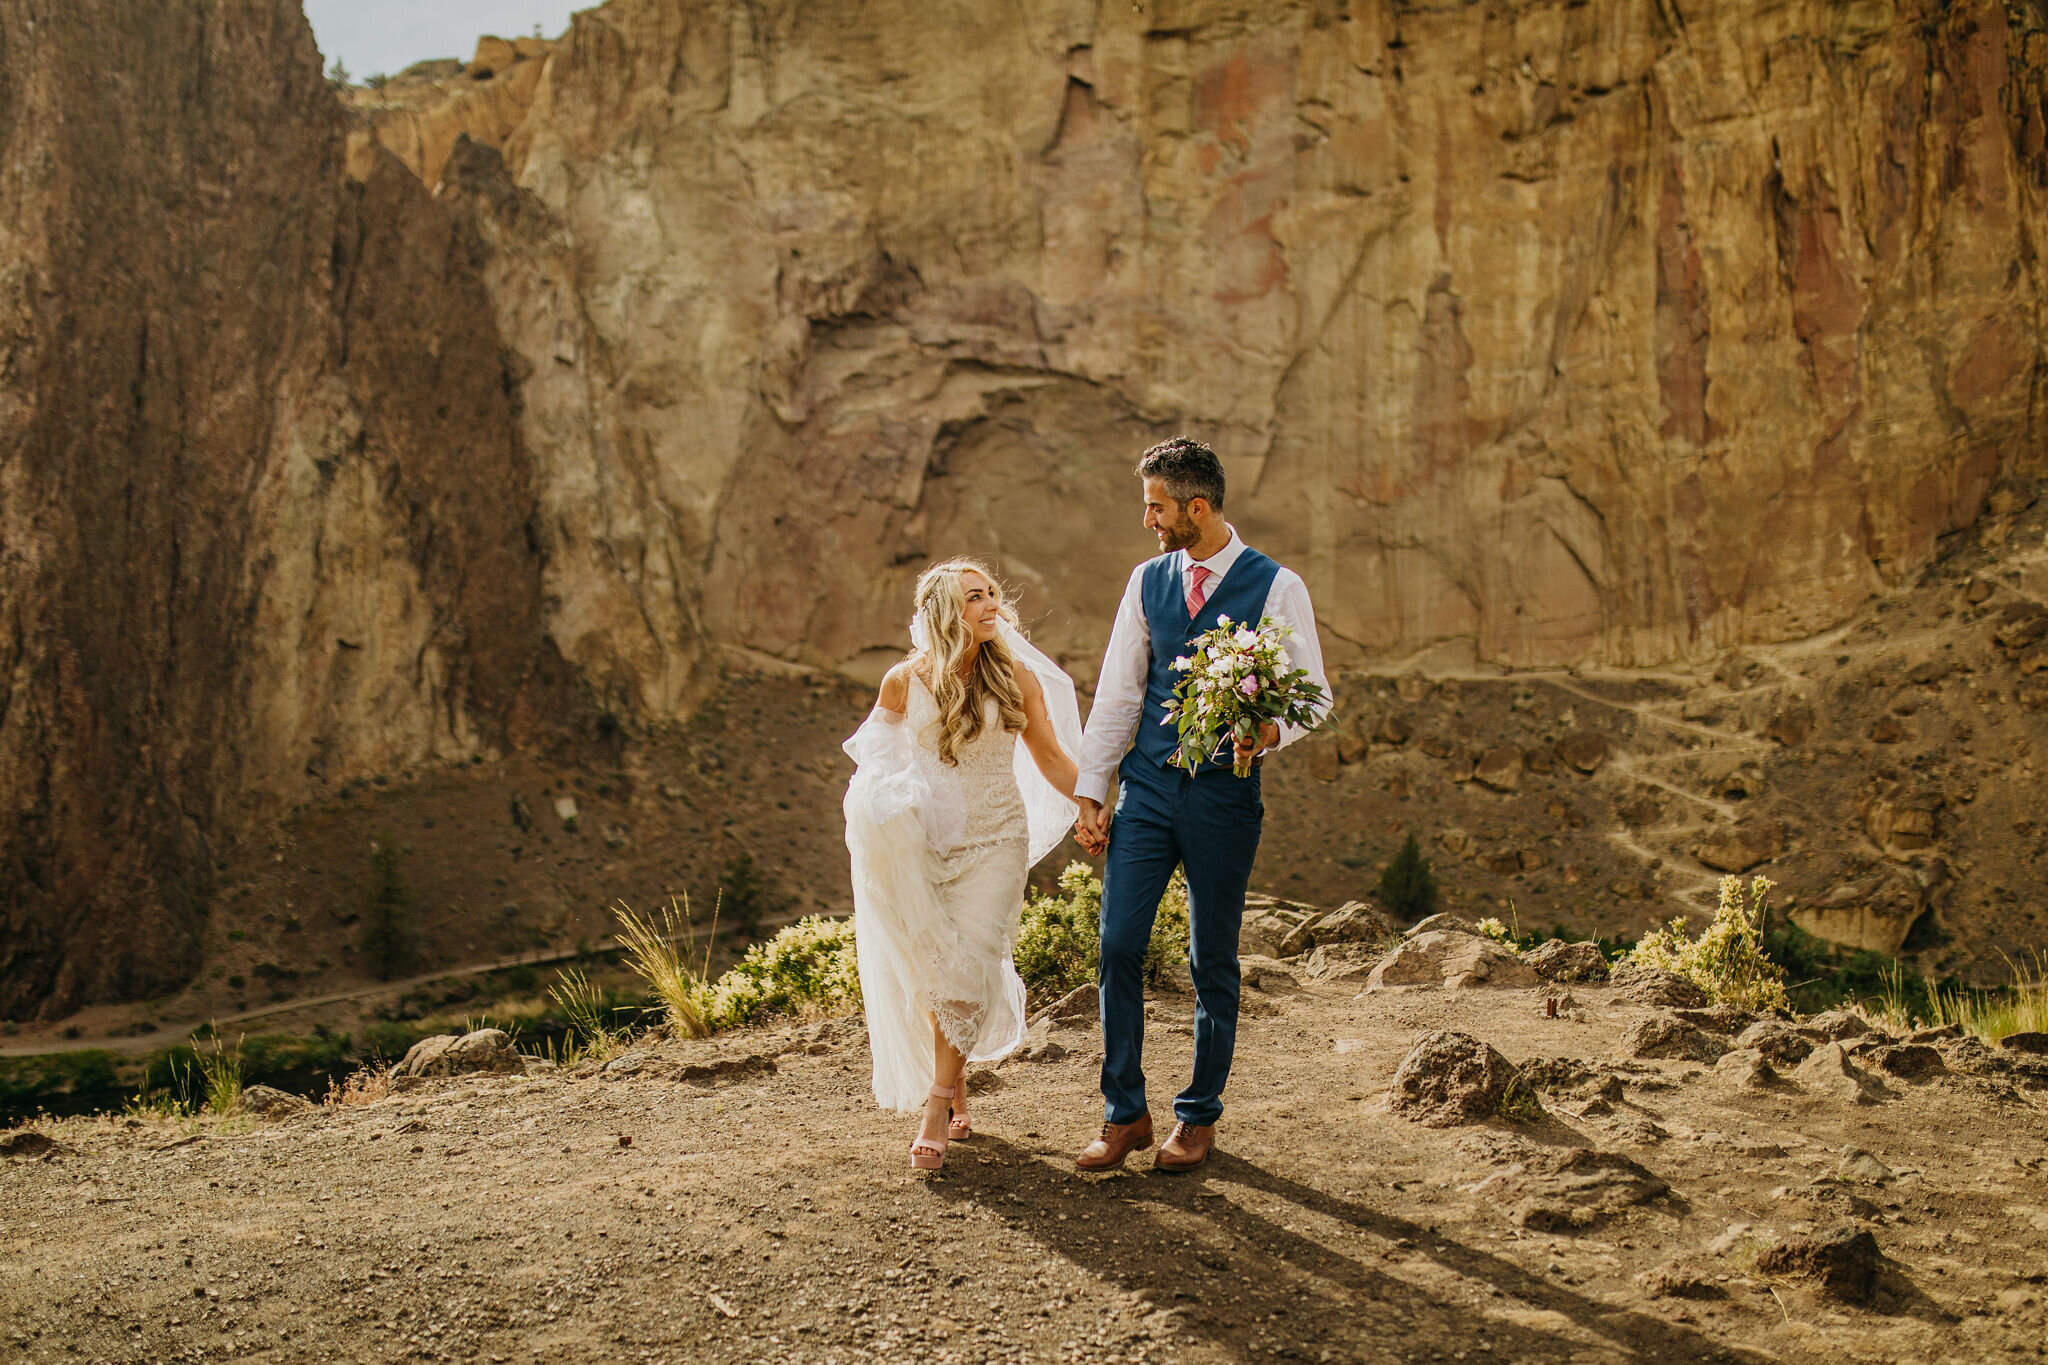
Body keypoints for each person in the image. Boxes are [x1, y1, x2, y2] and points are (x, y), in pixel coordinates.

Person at [1070, 437, 1331, 1172]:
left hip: (1223, 798)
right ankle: (1125, 1113)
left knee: (1209, 958)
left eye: (1156, 506)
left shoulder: (1277, 586)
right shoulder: (1146, 580)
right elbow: (1120, 691)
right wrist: (1093, 789)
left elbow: (1315, 694)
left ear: (1197, 506)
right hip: (1148, 792)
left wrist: (1268, 733)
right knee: (1118, 944)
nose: (1147, 519)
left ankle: (1198, 1116)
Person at [842, 559, 1085, 1171]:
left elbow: (1053, 759)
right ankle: (957, 1082)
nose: (989, 606)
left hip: (999, 837)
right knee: (936, 969)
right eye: (973, 597)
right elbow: (874, 766)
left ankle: (936, 1102)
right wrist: (886, 816)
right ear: (944, 612)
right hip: (927, 845)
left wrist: (1098, 803)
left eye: (991, 594)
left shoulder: (1016, 677)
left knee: (971, 963)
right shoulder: (903, 681)